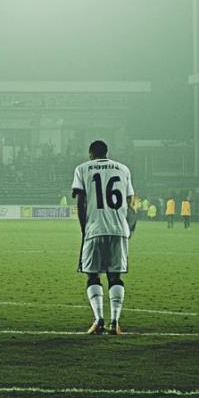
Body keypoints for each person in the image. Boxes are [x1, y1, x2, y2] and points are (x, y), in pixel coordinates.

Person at [71, 140, 134, 335]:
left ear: (91, 153)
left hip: (95, 229)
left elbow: (81, 202)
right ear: (107, 152)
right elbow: (131, 202)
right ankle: (115, 322)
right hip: (119, 229)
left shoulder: (82, 169)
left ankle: (98, 320)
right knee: (115, 276)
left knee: (92, 275)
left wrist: (84, 229)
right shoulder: (123, 169)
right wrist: (128, 228)